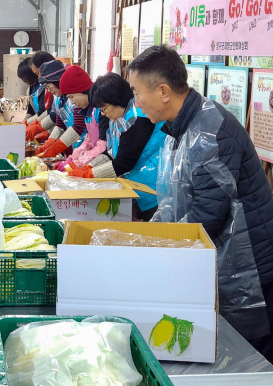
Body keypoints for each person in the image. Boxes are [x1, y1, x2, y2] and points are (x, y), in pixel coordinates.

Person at [127, 45, 273, 360]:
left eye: (137, 93)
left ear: (163, 91)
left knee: (252, 356)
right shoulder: (183, 125)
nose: (136, 103)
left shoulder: (210, 131)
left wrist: (161, 247)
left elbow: (210, 211)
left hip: (247, 263)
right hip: (221, 257)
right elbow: (176, 200)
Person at [67, 72, 166, 220]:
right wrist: (87, 167)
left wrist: (89, 174)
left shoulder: (137, 117)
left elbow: (123, 163)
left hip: (154, 187)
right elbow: (111, 152)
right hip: (139, 184)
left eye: (103, 108)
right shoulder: (120, 117)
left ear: (115, 99)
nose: (103, 114)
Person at [34, 61, 87, 158]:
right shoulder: (57, 99)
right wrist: (49, 144)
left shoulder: (75, 98)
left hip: (86, 148)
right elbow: (60, 125)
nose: (48, 90)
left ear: (57, 81)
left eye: (48, 86)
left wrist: (54, 149)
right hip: (75, 149)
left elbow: (78, 127)